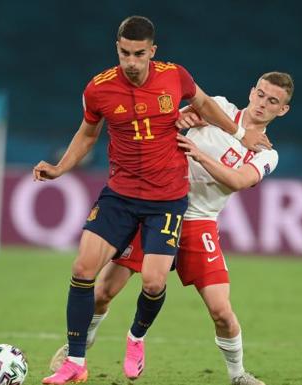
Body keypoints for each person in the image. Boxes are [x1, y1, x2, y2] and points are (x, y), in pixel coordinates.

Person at [34, 16, 271, 385]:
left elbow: (205, 105)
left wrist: (240, 135)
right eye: (125, 53)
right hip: (121, 196)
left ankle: (139, 339)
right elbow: (87, 134)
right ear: (117, 49)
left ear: (152, 52)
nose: (131, 62)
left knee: (158, 285)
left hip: (171, 203)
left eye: (139, 54)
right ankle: (76, 360)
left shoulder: (174, 77)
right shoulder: (98, 89)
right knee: (88, 275)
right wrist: (61, 168)